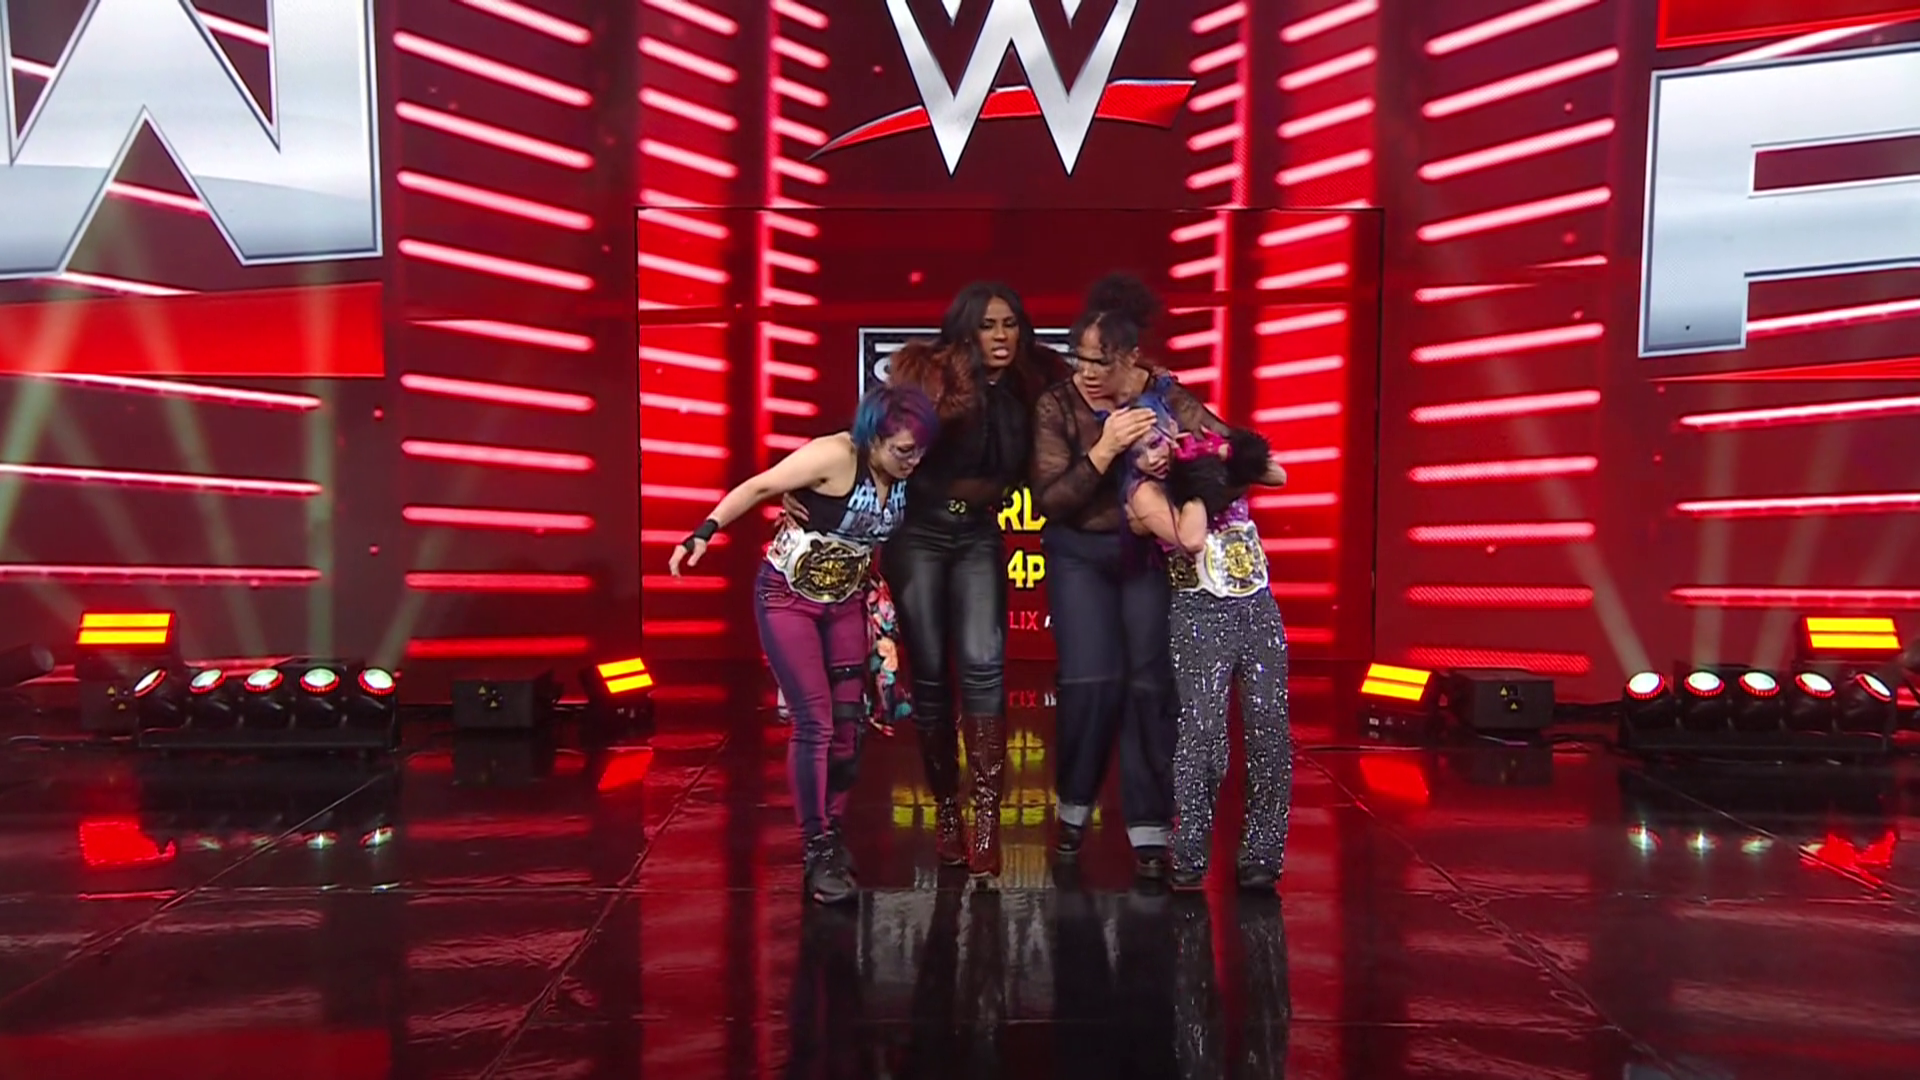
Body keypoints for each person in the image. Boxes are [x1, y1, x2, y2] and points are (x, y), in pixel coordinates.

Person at [1030, 273, 1285, 877]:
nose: (1088, 373)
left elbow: (1237, 450)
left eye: (1101, 362)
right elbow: (1050, 501)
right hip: (1080, 550)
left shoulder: (1165, 396)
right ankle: (1073, 808)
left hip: (1146, 555)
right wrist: (1104, 450)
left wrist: (1204, 464)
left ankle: (1150, 826)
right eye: (1079, 359)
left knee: (1150, 681)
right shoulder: (1056, 405)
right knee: (1091, 680)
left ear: (1132, 359)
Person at [670, 385, 937, 904]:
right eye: (904, 451)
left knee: (849, 727)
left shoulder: (909, 471)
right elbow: (760, 486)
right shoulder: (834, 456)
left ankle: (830, 833)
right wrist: (702, 532)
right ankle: (815, 845)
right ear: (873, 439)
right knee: (816, 721)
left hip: (844, 602)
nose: (914, 461)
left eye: (919, 451)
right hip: (787, 599)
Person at [873, 282, 1064, 879]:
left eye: (1009, 324)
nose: (1001, 336)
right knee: (931, 674)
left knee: (985, 664)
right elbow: (872, 436)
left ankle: (986, 822)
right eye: (988, 325)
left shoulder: (1036, 382)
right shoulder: (929, 375)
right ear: (965, 330)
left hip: (979, 532)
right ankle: (948, 814)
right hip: (920, 532)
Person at [1125, 422, 1292, 893]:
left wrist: (1228, 456)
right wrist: (1196, 484)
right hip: (1200, 615)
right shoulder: (1144, 495)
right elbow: (1193, 537)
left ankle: (1262, 854)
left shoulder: (1208, 464)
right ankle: (1190, 854)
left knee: (1269, 729)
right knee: (1203, 735)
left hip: (1257, 608)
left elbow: (1277, 474)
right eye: (1143, 452)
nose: (1157, 455)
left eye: (1159, 441)